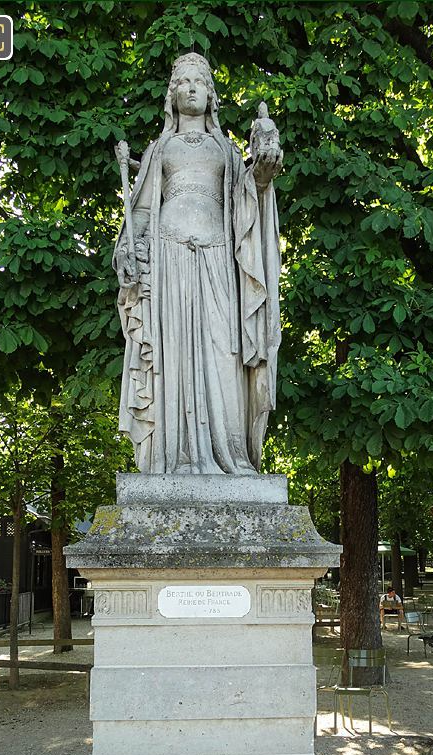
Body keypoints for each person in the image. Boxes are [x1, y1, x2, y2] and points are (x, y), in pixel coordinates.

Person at [113, 53, 283, 475]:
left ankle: (230, 454)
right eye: (184, 82)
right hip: (169, 262)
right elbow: (142, 210)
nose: (192, 88)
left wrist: (262, 171)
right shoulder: (161, 148)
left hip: (218, 260)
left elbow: (248, 200)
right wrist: (127, 248)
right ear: (172, 96)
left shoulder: (225, 150)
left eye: (200, 82)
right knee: (173, 355)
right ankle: (175, 457)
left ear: (211, 95)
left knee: (223, 353)